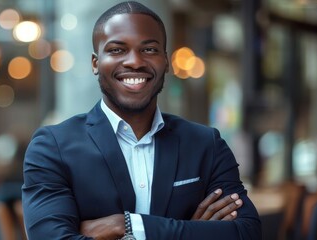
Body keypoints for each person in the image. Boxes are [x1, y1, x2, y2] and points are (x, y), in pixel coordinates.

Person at [21, 1, 261, 239]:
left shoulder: (206, 144)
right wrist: (189, 230)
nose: (134, 61)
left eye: (149, 50)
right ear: (96, 63)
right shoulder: (52, 147)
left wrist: (126, 225)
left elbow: (246, 232)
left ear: (166, 61)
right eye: (117, 50)